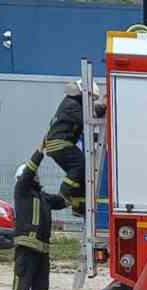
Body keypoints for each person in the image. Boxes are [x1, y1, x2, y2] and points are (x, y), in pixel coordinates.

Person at [9, 150, 68, 290]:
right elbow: (27, 174)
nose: (37, 177)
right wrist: (39, 154)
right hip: (27, 245)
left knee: (41, 281)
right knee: (23, 278)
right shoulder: (21, 191)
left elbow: (62, 201)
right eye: (34, 175)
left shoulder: (43, 197)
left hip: (43, 248)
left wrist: (76, 188)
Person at [41, 81, 104, 210]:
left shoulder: (72, 104)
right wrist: (104, 106)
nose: (91, 102)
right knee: (80, 164)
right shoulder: (71, 104)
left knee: (81, 173)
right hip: (60, 143)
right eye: (91, 98)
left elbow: (83, 128)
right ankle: (63, 194)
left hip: (59, 143)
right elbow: (89, 118)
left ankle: (78, 205)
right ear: (82, 93)